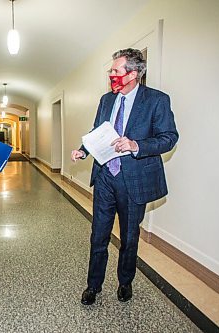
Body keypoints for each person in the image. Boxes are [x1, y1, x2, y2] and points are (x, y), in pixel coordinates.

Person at [71, 48, 178, 305]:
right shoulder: (107, 100)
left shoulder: (156, 100)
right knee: (98, 235)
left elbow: (169, 138)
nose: (111, 74)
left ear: (133, 74)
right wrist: (84, 150)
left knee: (129, 238)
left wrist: (135, 145)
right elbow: (99, 130)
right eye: (111, 70)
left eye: (116, 70)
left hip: (134, 180)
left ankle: (125, 282)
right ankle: (93, 285)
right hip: (106, 176)